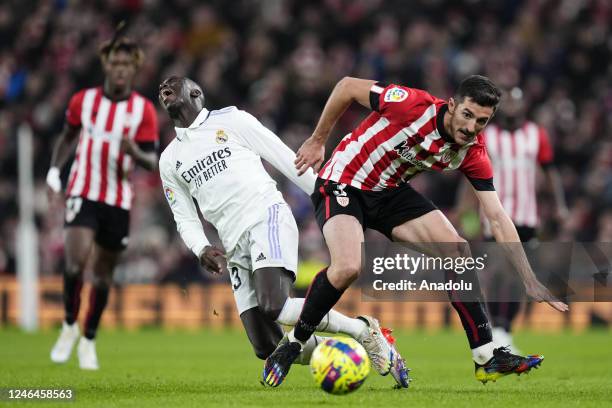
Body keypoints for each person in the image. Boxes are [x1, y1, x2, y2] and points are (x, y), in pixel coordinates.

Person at [263, 75, 569, 387]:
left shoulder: (473, 152)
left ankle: (486, 356)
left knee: (458, 250)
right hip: (344, 181)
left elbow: (499, 217)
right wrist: (318, 139)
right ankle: (294, 343)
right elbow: (346, 86)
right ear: (451, 106)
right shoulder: (411, 104)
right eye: (467, 115)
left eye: (481, 121)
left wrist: (529, 280)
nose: (471, 127)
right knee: (348, 267)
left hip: (391, 192)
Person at [157, 76, 410, 387]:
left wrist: (328, 198)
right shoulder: (169, 159)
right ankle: (345, 348)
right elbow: (184, 215)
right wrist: (200, 247)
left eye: (172, 84)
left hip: (266, 216)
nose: (163, 88)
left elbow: (285, 158)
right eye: (161, 88)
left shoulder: (232, 120)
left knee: (274, 304)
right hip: (232, 243)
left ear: (195, 92)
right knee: (265, 345)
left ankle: (361, 330)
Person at [47, 36, 159, 370]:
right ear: (106, 65)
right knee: (73, 263)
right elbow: (67, 137)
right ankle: (69, 324)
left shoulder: (143, 110)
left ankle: (89, 338)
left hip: (118, 200)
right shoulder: (84, 100)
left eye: (127, 65)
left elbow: (153, 161)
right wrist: (55, 171)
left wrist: (134, 152)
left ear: (134, 69)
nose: (121, 70)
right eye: (115, 63)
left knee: (103, 276)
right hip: (83, 191)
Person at [456, 86, 568, 352]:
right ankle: (497, 329)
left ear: (524, 106)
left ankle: (505, 330)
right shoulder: (487, 135)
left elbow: (551, 172)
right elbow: (470, 173)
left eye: (518, 102)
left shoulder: (535, 135)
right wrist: (464, 210)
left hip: (527, 216)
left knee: (519, 276)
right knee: (497, 271)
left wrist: (560, 205)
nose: (513, 108)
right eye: (510, 103)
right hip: (494, 214)